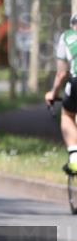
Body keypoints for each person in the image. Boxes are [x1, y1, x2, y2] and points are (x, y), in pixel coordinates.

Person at [44, 13, 77, 174]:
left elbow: (62, 73)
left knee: (67, 115)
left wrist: (53, 93)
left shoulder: (67, 36)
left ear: (73, 25)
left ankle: (75, 158)